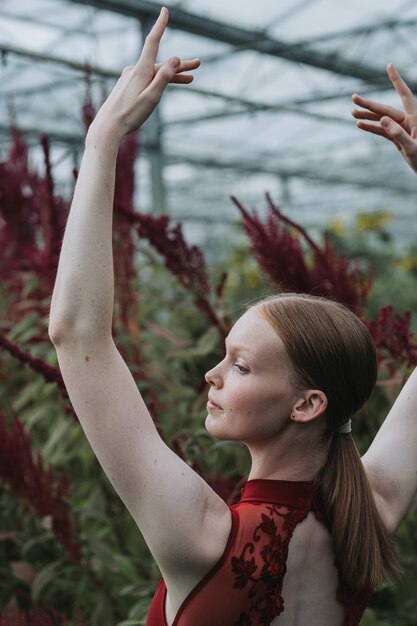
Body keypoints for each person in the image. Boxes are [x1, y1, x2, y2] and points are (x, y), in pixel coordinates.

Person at [48, 6, 417, 625]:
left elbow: (76, 334)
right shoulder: (372, 514)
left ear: (307, 404)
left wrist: (102, 139)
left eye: (240, 365)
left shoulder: (201, 535)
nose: (210, 376)